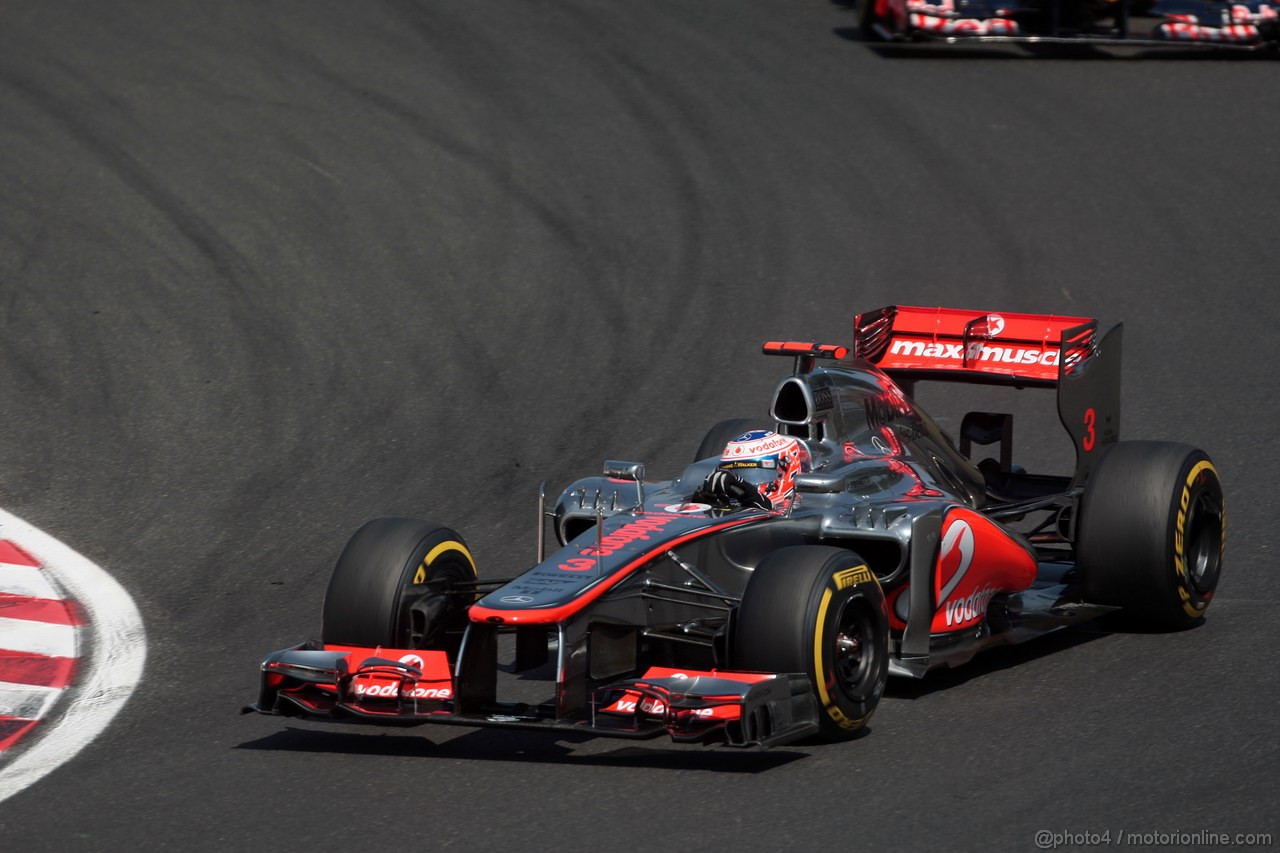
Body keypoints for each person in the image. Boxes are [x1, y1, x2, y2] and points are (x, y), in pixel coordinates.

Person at [694, 430, 811, 511]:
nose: (743, 481)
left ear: (786, 470)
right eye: (735, 473)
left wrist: (748, 493)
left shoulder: (806, 504)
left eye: (756, 473)